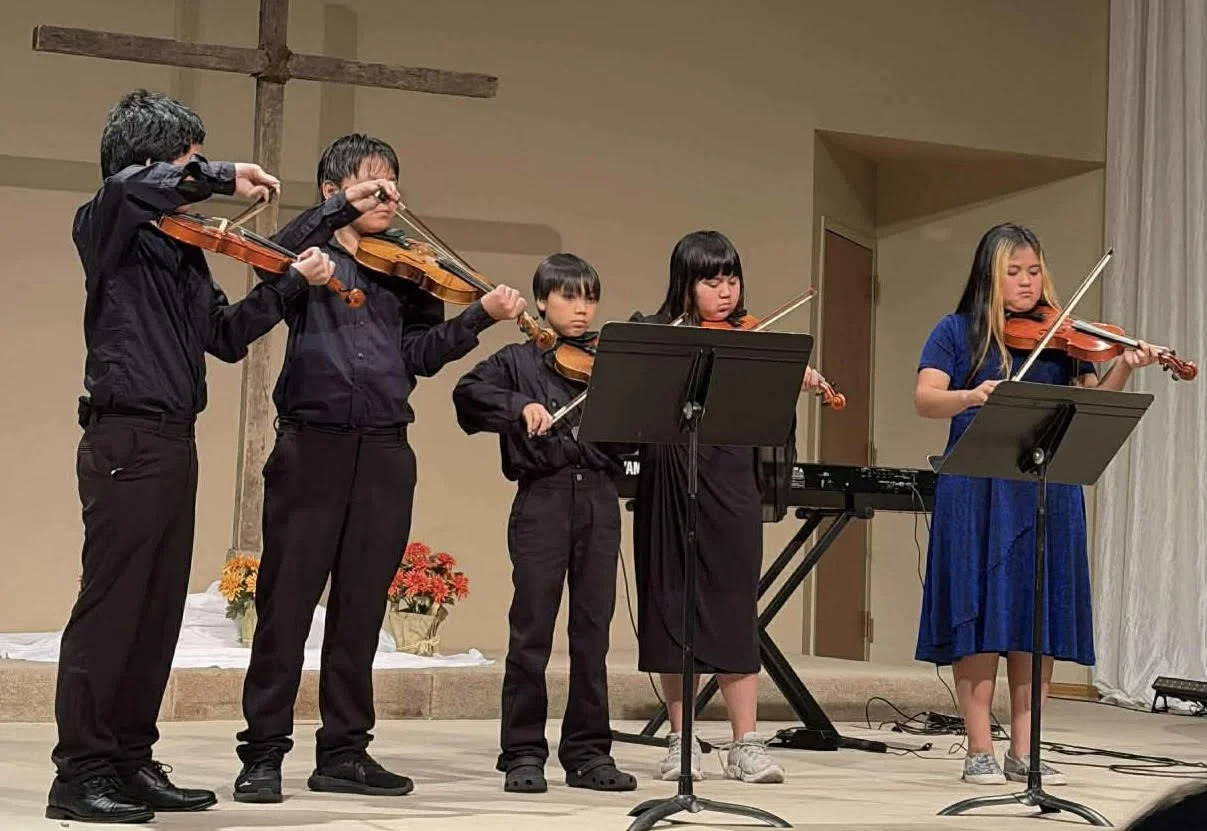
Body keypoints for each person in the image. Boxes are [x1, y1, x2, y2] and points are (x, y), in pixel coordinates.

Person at [48, 89, 334, 824]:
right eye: (188, 160)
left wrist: (292, 281)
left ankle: (128, 759)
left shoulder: (180, 251)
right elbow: (133, 185)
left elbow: (226, 337)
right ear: (153, 160)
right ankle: (79, 773)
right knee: (111, 610)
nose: (194, 174)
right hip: (125, 439)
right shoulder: (106, 219)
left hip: (174, 439)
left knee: (155, 614)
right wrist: (224, 173)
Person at [233, 133, 526, 803]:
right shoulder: (306, 256)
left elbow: (419, 356)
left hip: (386, 449)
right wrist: (333, 217)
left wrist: (477, 317)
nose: (389, 195)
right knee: (285, 605)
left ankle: (344, 751)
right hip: (312, 446)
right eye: (372, 183)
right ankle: (264, 752)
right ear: (333, 191)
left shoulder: (406, 267)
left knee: (362, 607)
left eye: (392, 182)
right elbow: (268, 260)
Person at [914, 222, 1161, 786]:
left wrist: (1125, 364)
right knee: (977, 616)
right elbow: (926, 399)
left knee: (1036, 619)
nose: (1027, 282)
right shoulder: (956, 332)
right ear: (989, 276)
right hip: (976, 491)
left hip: (1045, 488)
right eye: (1013, 272)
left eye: (1033, 271)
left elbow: (1092, 403)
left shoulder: (1063, 338)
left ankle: (1026, 750)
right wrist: (970, 395)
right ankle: (979, 748)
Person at [630, 230, 822, 784]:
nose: (725, 293)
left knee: (735, 605)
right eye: (712, 282)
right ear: (685, 284)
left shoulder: (750, 340)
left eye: (732, 280)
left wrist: (788, 379)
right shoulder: (658, 333)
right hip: (671, 475)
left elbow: (766, 421)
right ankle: (680, 739)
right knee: (672, 603)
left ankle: (746, 744)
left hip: (732, 477)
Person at [452, 253, 638, 794]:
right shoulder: (516, 361)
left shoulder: (608, 363)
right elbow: (466, 395)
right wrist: (519, 407)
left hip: (599, 498)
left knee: (592, 633)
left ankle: (588, 752)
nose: (582, 310)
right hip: (543, 498)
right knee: (531, 630)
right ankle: (522, 752)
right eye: (568, 297)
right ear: (541, 301)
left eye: (589, 298)